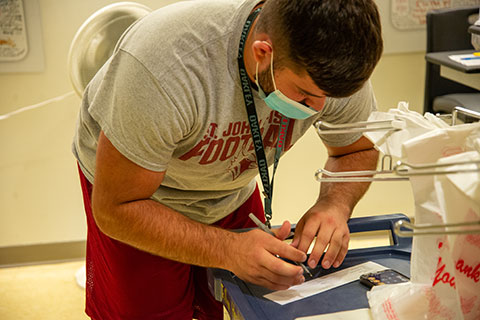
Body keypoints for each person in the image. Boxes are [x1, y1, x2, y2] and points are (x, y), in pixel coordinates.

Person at [72, 0, 383, 318]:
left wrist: (335, 204)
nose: (318, 108)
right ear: (263, 53)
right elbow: (116, 208)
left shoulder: (334, 66)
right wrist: (225, 248)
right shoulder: (166, 66)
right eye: (304, 95)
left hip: (230, 189)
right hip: (138, 195)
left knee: (236, 303)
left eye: (327, 98)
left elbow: (357, 149)